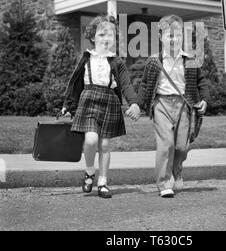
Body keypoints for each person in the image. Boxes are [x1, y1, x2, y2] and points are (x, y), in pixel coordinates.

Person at [127, 15, 209, 198]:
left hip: (183, 106)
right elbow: (146, 85)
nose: (174, 39)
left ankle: (176, 171)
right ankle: (164, 182)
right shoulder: (154, 61)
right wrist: (137, 105)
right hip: (161, 104)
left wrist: (204, 99)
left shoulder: (190, 60)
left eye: (178, 35)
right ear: (161, 37)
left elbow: (200, 82)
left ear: (183, 37)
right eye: (169, 36)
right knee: (166, 144)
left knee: (182, 146)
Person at [61, 15, 140, 198]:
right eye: (102, 34)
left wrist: (134, 103)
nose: (106, 38)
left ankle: (103, 183)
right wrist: (67, 106)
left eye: (110, 35)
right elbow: (74, 84)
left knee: (104, 145)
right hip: (88, 100)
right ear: (92, 37)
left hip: (109, 102)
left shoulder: (116, 61)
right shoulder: (86, 58)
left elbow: (126, 85)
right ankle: (89, 172)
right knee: (90, 141)